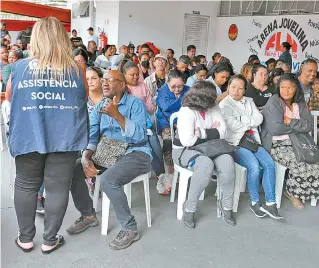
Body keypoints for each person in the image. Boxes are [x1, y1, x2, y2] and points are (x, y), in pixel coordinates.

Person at [5, 17, 89, 254]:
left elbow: (10, 98)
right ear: (63, 39)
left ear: (36, 39)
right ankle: (50, 240)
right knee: (58, 187)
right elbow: (82, 98)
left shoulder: (19, 67)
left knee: (25, 185)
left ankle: (25, 239)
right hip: (65, 136)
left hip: (29, 134)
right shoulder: (77, 69)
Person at [67, 70, 152, 250]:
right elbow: (92, 138)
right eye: (103, 80)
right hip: (108, 151)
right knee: (73, 170)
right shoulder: (99, 107)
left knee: (108, 180)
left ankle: (130, 228)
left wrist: (117, 115)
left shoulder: (135, 104)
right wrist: (86, 156)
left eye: (109, 80)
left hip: (136, 152)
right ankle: (89, 215)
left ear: (122, 85)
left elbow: (140, 136)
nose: (104, 83)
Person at [173, 80, 236, 228]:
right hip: (184, 150)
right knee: (205, 165)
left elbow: (222, 132)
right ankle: (189, 207)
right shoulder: (187, 111)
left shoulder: (213, 107)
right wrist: (211, 132)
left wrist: (200, 132)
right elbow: (188, 141)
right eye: (212, 98)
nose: (215, 100)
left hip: (210, 147)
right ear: (202, 99)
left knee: (227, 163)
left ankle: (226, 205)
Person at [219, 75, 282, 219]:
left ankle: (271, 203)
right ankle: (255, 202)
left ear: (245, 90)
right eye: (233, 87)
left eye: (240, 88)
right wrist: (249, 120)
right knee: (253, 165)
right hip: (235, 143)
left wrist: (241, 119)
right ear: (228, 87)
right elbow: (231, 125)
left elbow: (259, 119)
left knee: (269, 164)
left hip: (252, 141)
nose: (236, 91)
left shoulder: (249, 101)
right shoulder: (224, 105)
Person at [261, 73, 319, 208]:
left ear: (296, 89)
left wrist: (291, 121)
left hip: (299, 142)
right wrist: (298, 127)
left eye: (290, 88)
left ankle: (309, 192)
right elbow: (275, 128)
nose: (286, 91)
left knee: (315, 162)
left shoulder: (300, 102)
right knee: (300, 163)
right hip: (277, 144)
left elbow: (309, 125)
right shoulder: (274, 101)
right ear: (278, 87)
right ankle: (293, 192)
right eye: (283, 87)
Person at [156, 70, 190, 193]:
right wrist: (184, 103)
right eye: (173, 86)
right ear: (167, 83)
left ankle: (182, 169)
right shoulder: (162, 91)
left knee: (188, 140)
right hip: (166, 122)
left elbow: (194, 104)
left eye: (180, 86)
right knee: (168, 141)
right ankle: (169, 173)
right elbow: (166, 106)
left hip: (183, 123)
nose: (177, 89)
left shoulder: (188, 90)